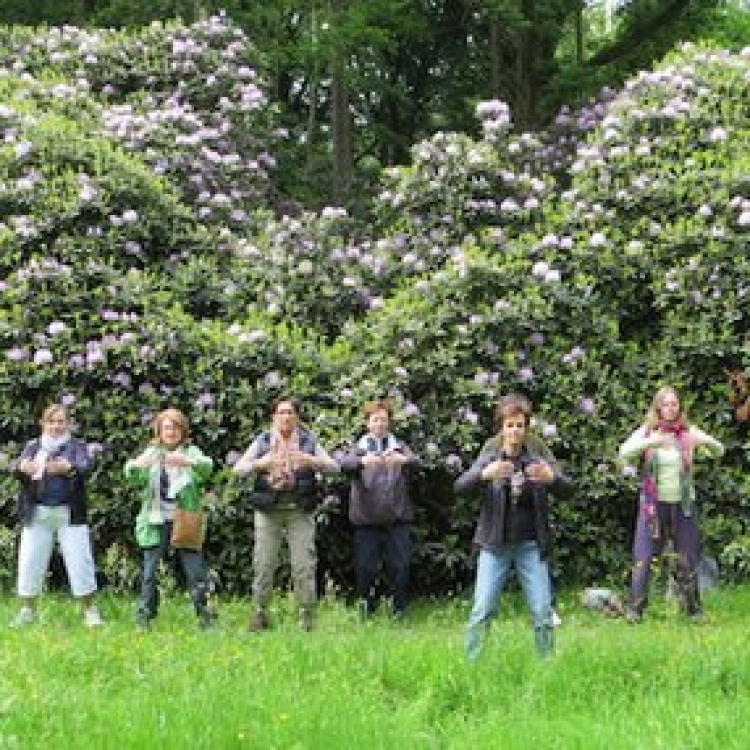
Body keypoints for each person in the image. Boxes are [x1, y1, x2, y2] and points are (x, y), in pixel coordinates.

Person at [455, 393, 571, 659]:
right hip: (495, 544)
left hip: (531, 544)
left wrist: (551, 478)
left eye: (520, 425)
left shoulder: (538, 452)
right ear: (501, 427)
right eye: (510, 425)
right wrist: (486, 474)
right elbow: (460, 487)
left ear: (527, 427)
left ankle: (547, 667)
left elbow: (568, 489)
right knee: (482, 608)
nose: (515, 431)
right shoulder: (491, 452)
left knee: (542, 610)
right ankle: (472, 665)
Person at [618, 386, 724, 623]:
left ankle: (693, 610)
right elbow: (624, 452)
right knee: (643, 557)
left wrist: (703, 440)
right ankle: (635, 610)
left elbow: (719, 451)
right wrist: (651, 442)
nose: (670, 408)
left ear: (680, 407)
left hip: (683, 505)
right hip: (653, 507)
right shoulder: (648, 432)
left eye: (674, 404)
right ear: (658, 407)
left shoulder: (687, 433)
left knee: (688, 557)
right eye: (665, 404)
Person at [233, 396, 339, 631]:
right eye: (281, 412)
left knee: (303, 565)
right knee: (263, 564)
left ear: (297, 417)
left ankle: (307, 617)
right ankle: (259, 614)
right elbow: (238, 469)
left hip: (300, 511)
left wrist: (311, 460)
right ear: (274, 417)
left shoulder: (308, 441)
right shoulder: (262, 441)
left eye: (290, 412)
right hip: (268, 512)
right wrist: (260, 464)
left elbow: (334, 467)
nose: (286, 417)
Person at [12, 404, 103, 628]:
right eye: (51, 422)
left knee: (80, 562)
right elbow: (18, 468)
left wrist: (67, 468)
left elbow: (83, 467)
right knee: (29, 562)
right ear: (43, 423)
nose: (56, 426)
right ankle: (28, 611)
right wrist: (23, 466)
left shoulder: (77, 446)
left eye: (60, 421)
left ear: (67, 424)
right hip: (37, 514)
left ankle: (90, 611)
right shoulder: (33, 446)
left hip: (69, 514)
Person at [125, 408, 216, 630]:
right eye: (167, 427)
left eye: (175, 427)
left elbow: (207, 467)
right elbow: (131, 474)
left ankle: (206, 619)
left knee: (195, 572)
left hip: (185, 520)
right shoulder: (152, 453)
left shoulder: (191, 451)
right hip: (155, 521)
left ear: (182, 431)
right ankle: (144, 619)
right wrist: (137, 466)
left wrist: (188, 462)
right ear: (159, 431)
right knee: (150, 573)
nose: (171, 431)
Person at [338, 400, 420, 620]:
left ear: (389, 422)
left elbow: (418, 463)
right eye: (375, 419)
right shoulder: (358, 447)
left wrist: (404, 460)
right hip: (366, 520)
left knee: (400, 567)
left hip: (398, 518)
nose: (380, 424)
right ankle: (366, 610)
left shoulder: (400, 446)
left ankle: (399, 612)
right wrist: (363, 461)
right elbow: (344, 464)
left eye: (384, 419)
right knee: (365, 568)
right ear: (367, 423)